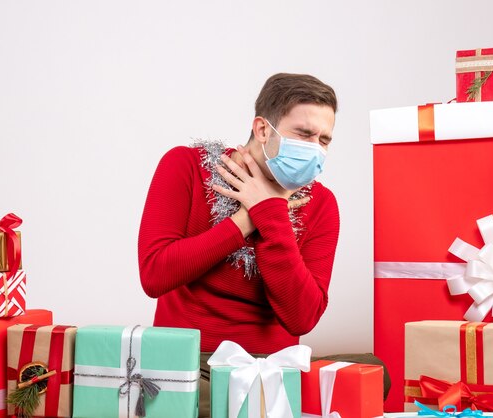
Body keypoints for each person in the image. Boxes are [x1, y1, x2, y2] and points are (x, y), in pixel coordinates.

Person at [138, 73, 387, 417]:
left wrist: (272, 215)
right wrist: (245, 220)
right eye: (303, 134)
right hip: (192, 363)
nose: (314, 148)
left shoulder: (322, 204)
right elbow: (155, 274)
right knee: (209, 398)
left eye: (324, 140)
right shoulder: (186, 166)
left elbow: (301, 317)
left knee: (375, 375)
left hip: (273, 367)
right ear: (262, 129)